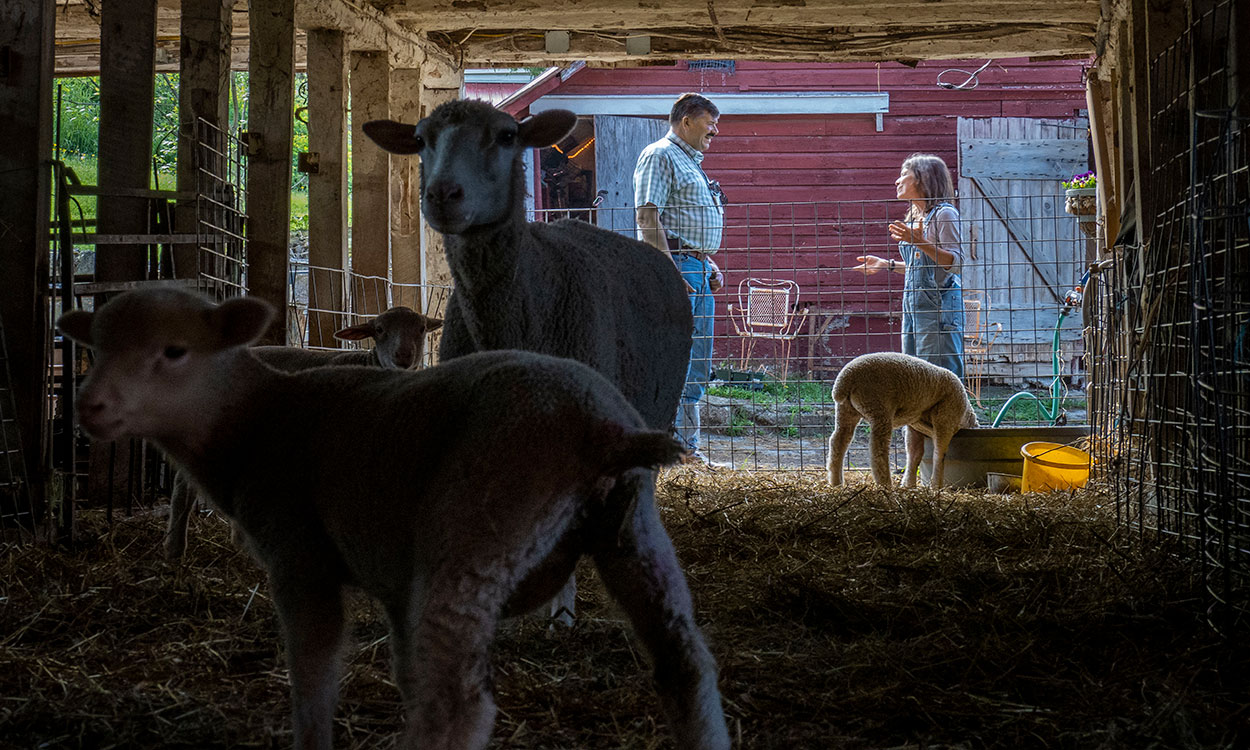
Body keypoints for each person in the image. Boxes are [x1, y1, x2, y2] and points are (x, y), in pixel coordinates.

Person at [634, 92, 726, 464]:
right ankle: (672, 450)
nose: (715, 131)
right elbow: (646, 216)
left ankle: (686, 450)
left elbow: (682, 221)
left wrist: (708, 263)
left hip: (696, 267)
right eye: (710, 122)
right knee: (676, 359)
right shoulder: (660, 155)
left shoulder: (691, 162)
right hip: (678, 269)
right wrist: (669, 270)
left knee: (697, 362)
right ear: (686, 120)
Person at [854, 153, 965, 379]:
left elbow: (956, 263)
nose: (897, 181)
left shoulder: (944, 214)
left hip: (939, 307)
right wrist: (888, 264)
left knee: (940, 378)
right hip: (915, 306)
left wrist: (920, 242)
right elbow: (923, 266)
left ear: (922, 179)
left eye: (904, 174)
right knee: (915, 376)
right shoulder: (917, 217)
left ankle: (951, 416)